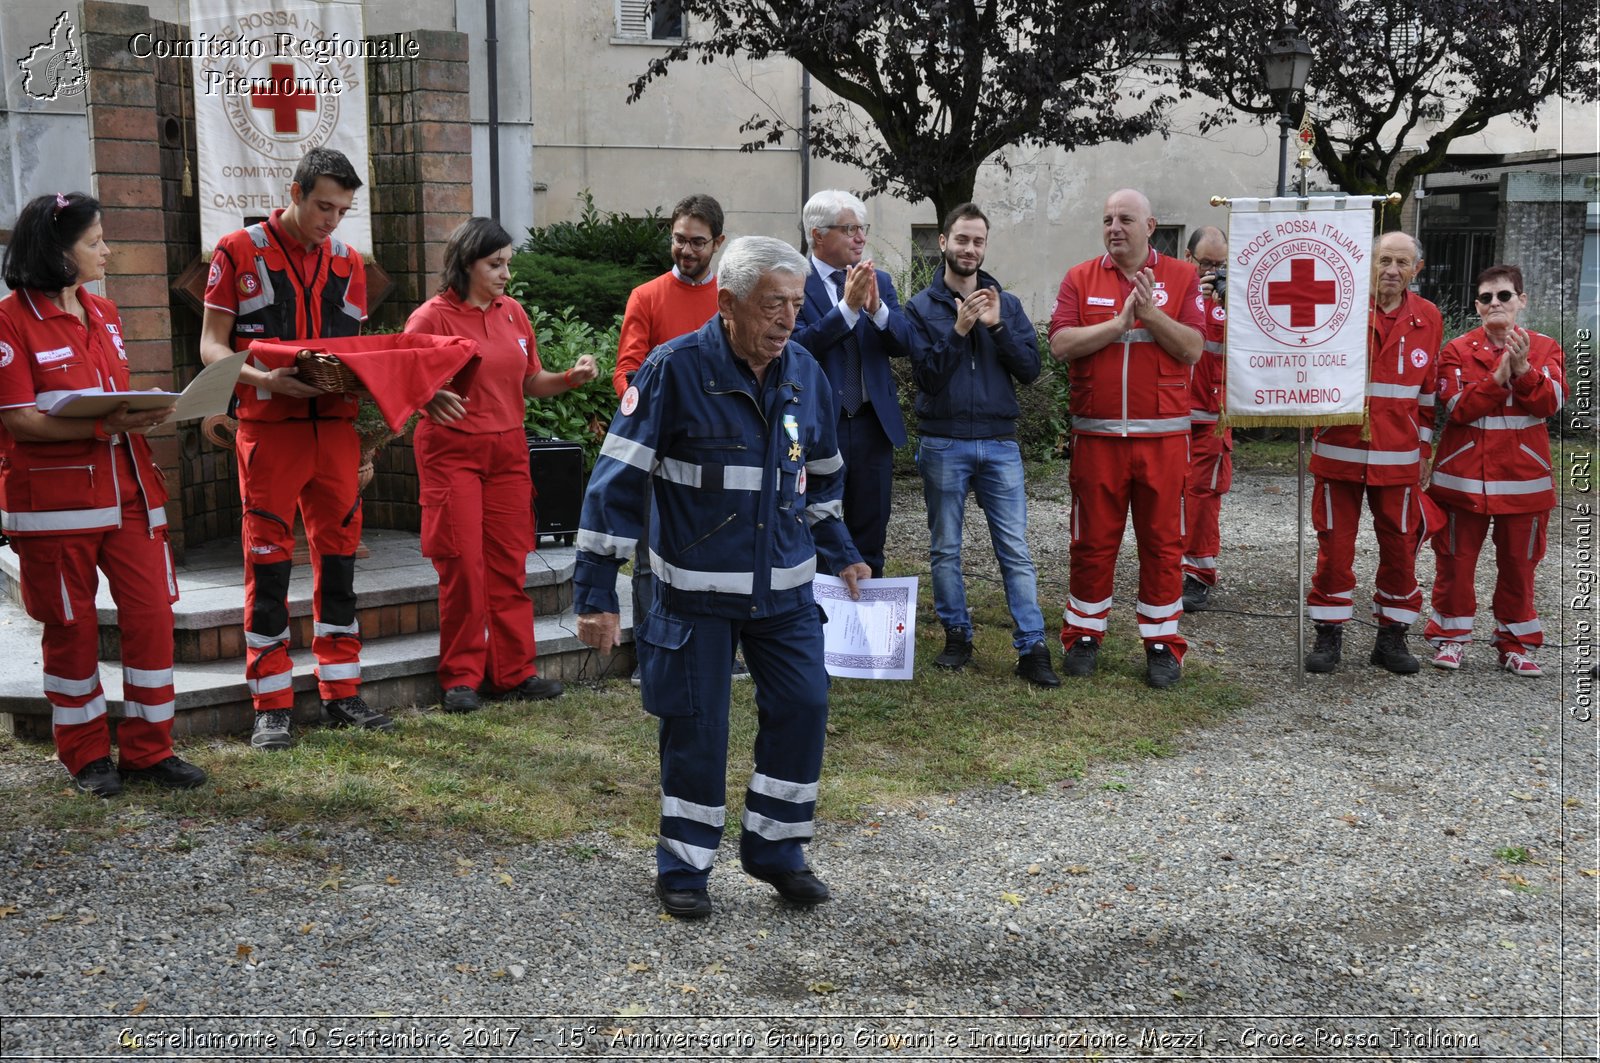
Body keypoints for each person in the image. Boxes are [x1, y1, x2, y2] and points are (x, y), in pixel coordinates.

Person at [573, 236, 870, 919]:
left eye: (797, 304)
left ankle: (777, 850)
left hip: (785, 595)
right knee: (696, 728)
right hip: (695, 595)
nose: (789, 319)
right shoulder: (672, 371)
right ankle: (684, 864)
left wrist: (843, 549)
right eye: (774, 304)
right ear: (728, 303)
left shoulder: (805, 373)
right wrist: (596, 593)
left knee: (804, 705)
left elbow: (819, 480)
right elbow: (614, 484)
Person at [0, 192, 205, 796]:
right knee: (71, 627)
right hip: (56, 505)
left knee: (150, 619)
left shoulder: (107, 314)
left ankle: (150, 750)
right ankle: (86, 755)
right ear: (58, 254)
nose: (107, 250)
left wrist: (139, 412)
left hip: (132, 491)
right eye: (95, 242)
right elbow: (17, 420)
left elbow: (109, 396)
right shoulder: (10, 322)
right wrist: (100, 425)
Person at [199, 146, 393, 749]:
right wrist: (261, 381)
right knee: (269, 564)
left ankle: (342, 690)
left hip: (333, 432)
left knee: (339, 561)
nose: (332, 220)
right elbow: (210, 346)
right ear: (296, 191)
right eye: (323, 206)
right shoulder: (236, 250)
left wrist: (373, 429)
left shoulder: (349, 263)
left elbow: (353, 357)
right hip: (269, 431)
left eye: (343, 210)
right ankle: (272, 704)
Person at [404, 217, 597, 713]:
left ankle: (512, 672)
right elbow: (403, 382)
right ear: (466, 263)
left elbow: (530, 382)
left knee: (509, 564)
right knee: (464, 569)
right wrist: (429, 397)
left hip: (509, 452)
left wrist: (571, 378)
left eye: (508, 263)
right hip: (452, 454)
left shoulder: (512, 314)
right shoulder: (431, 318)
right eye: (496, 264)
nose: (506, 274)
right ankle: (460, 678)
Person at [1048, 189, 1205, 688]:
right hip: (1097, 439)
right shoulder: (1080, 277)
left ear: (1150, 225)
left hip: (1162, 441)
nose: (1115, 227)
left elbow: (1194, 349)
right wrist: (1118, 324)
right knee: (1091, 542)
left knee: (1163, 544)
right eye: (1107, 219)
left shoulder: (1182, 277)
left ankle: (1162, 644)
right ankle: (1084, 635)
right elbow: (1060, 344)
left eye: (1125, 219)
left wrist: (1151, 314)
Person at [904, 202, 1059, 688]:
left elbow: (1031, 371)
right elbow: (926, 379)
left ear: (983, 247)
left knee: (1014, 549)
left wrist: (994, 325)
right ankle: (957, 635)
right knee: (945, 549)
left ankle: (1032, 646)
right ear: (944, 242)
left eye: (978, 241)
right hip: (944, 442)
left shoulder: (1006, 303)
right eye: (962, 240)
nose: (969, 249)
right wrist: (959, 330)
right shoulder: (920, 307)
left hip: (998, 444)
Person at [613, 194, 742, 684]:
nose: (686, 251)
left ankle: (722, 653)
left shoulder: (730, 297)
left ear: (719, 243)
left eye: (697, 242)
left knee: (721, 552)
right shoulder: (646, 297)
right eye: (679, 239)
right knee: (650, 559)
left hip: (723, 449)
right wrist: (645, 414)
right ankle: (652, 659)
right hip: (661, 448)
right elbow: (627, 371)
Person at [1303, 231, 1442, 674]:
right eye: (1385, 260)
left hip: (1398, 459)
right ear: (1368, 262)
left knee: (1401, 550)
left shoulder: (1429, 317)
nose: (1392, 271)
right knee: (1333, 549)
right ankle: (1328, 635)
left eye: (1402, 263)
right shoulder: (1339, 308)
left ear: (1416, 270)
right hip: (1339, 451)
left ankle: (1392, 637)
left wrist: (1423, 450)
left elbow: (1427, 393)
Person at [1424, 264, 1565, 676]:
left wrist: (1522, 372)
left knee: (1519, 568)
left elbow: (1550, 404)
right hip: (1461, 483)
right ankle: (1450, 638)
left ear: (1522, 300)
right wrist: (1502, 374)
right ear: (1476, 307)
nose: (1495, 303)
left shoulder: (1546, 348)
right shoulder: (1456, 350)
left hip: (1524, 484)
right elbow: (1458, 409)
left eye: (1504, 295)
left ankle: (1515, 645)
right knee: (1454, 563)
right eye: (1486, 298)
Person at [792, 189, 910, 579]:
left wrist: (876, 308)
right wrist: (847, 309)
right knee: (820, 525)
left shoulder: (881, 281)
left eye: (863, 228)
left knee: (870, 530)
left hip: (872, 424)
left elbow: (904, 343)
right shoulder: (794, 281)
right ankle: (822, 626)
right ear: (818, 235)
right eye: (849, 229)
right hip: (820, 424)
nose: (860, 237)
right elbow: (797, 347)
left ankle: (866, 628)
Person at [1181, 226, 1233, 612]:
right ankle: (1167, 566)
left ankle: (1198, 575)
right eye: (1207, 264)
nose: (1213, 271)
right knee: (1164, 498)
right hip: (1170, 413)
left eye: (1220, 264)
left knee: (1202, 498)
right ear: (1189, 257)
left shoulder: (1237, 302)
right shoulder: (1177, 292)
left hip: (1212, 417)